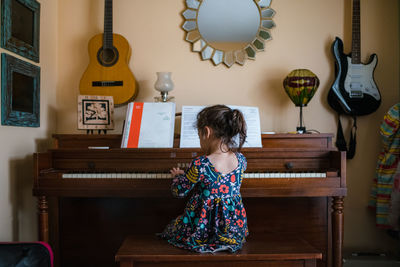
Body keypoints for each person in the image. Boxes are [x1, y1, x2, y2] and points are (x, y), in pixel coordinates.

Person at [159, 104, 249, 253]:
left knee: (172, 227)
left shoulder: (201, 164)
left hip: (203, 230)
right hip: (233, 230)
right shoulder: (241, 160)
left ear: (206, 132)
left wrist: (177, 177)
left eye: (199, 135)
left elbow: (179, 191)